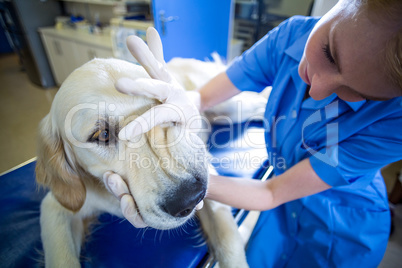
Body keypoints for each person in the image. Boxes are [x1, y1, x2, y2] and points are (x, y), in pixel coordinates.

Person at [103, 0, 402, 267]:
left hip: (342, 226)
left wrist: (180, 185)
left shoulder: (396, 123)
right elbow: (203, 97)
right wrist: (186, 100)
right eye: (329, 53)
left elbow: (272, 193)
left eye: (358, 93)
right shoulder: (290, 36)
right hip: (281, 214)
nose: (318, 89)